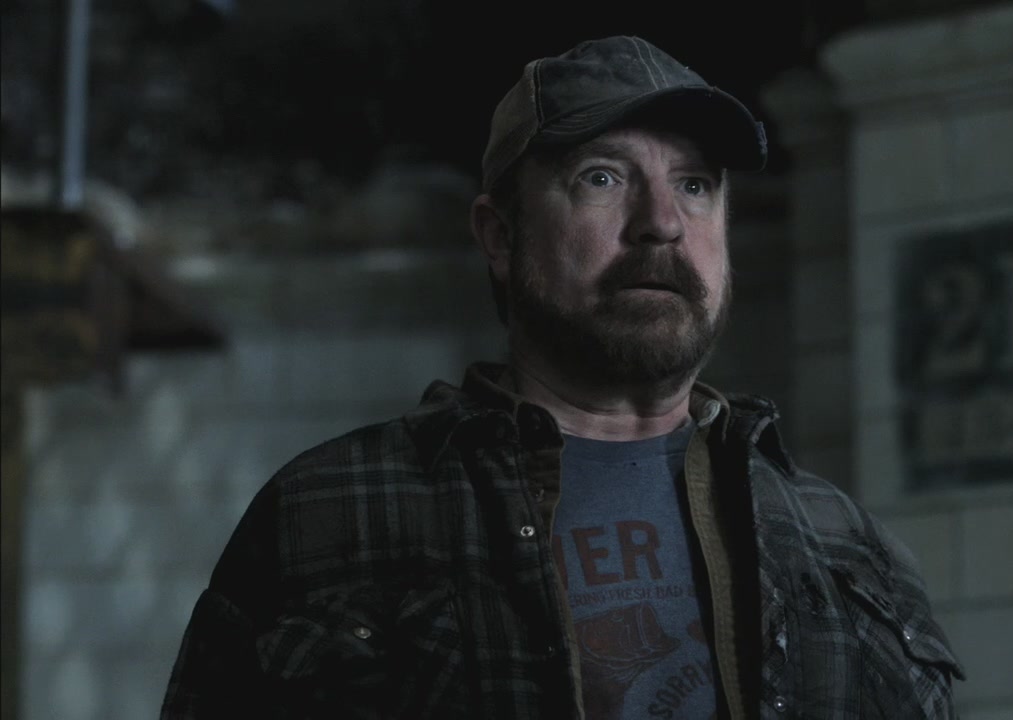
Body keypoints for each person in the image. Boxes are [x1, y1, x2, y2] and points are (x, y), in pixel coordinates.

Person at [161, 35, 964, 719]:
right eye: (602, 178)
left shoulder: (845, 546)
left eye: (694, 185)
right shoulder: (327, 514)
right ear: (500, 235)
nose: (661, 222)